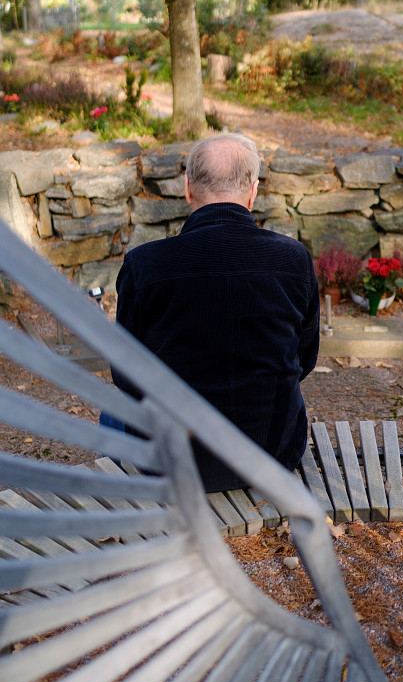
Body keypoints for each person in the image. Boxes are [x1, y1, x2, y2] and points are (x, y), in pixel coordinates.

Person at [111, 132, 320, 492]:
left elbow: (125, 375)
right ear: (253, 192)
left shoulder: (144, 265)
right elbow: (305, 358)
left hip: (173, 460)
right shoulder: (293, 260)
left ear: (187, 189)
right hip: (271, 453)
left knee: (113, 410)